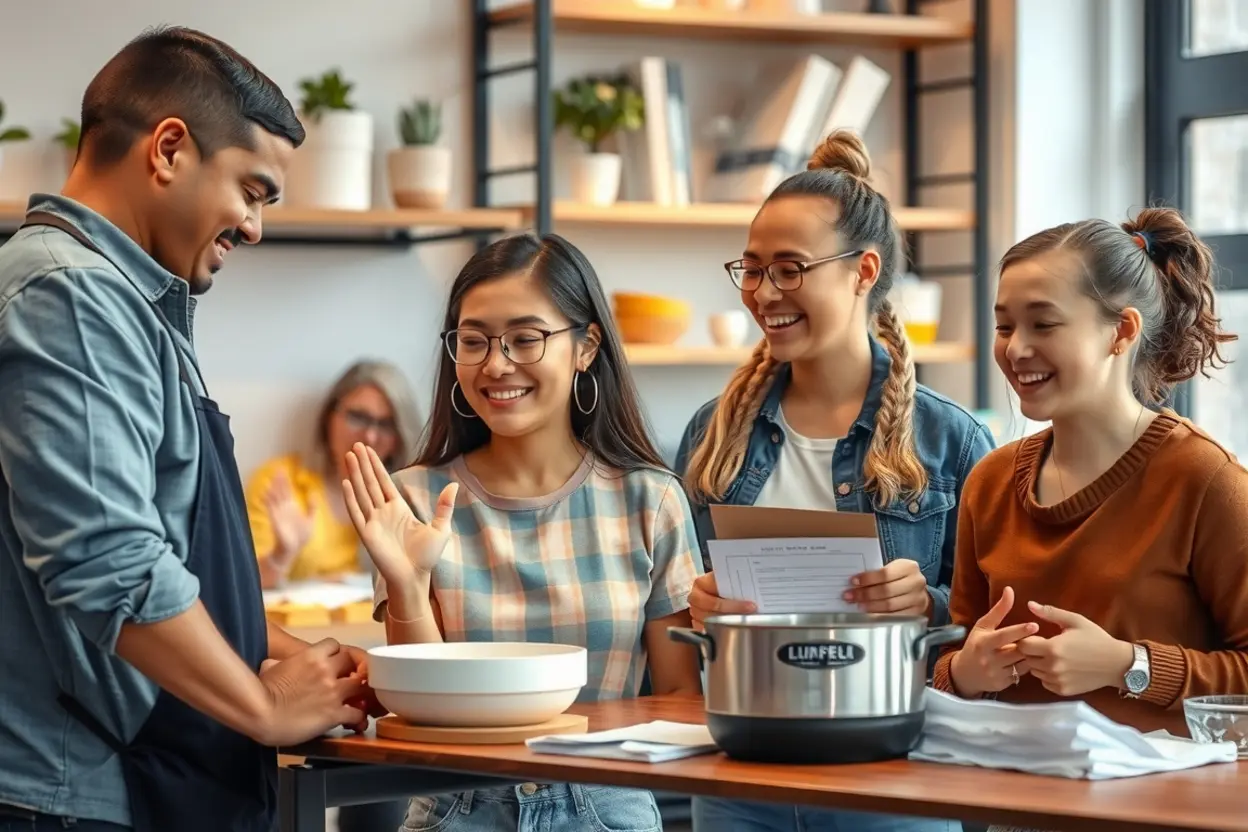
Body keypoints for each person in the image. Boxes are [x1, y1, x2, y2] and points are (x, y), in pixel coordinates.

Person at [0, 27, 380, 832]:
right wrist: (264, 706)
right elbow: (104, 557)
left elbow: (163, 548)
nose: (254, 227)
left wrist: (279, 652)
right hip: (69, 799)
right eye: (253, 190)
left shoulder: (128, 304)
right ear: (169, 148)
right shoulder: (69, 296)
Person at [674, 129, 993, 832]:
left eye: (790, 269)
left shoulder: (950, 440)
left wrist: (931, 604)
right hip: (739, 781)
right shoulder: (712, 434)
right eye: (752, 269)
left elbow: (996, 624)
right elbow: (677, 606)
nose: (764, 293)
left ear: (863, 270)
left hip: (897, 784)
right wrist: (695, 605)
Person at [343, 232, 703, 831]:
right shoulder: (413, 499)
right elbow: (424, 707)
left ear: (586, 346)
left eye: (525, 339)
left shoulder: (652, 499)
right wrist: (407, 585)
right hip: (455, 808)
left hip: (607, 807)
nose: (496, 364)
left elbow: (677, 702)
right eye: (474, 340)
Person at [930, 207, 1248, 832]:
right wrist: (966, 672)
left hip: (1168, 817)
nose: (1016, 349)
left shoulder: (1205, 481)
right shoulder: (989, 483)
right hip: (1011, 813)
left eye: (1043, 324)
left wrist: (1126, 665)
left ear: (1120, 331)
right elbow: (952, 653)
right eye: (1003, 326)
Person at [247, 359, 422, 588]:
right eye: (358, 417)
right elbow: (247, 587)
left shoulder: (412, 495)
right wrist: (282, 553)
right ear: (328, 417)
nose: (370, 436)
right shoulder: (280, 482)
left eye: (386, 424)